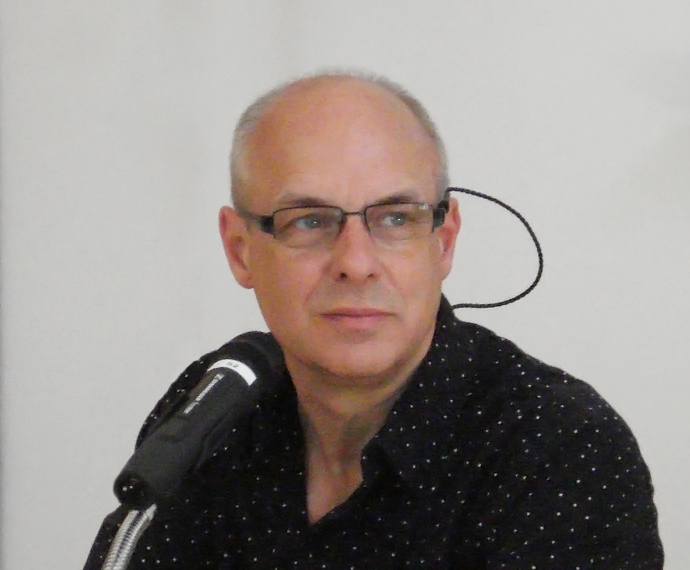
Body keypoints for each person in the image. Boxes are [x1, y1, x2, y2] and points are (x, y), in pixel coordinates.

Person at [84, 71, 663, 569]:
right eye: (309, 221)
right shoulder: (215, 410)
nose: (356, 263)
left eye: (394, 218)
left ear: (444, 241)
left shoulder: (559, 448)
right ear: (240, 250)